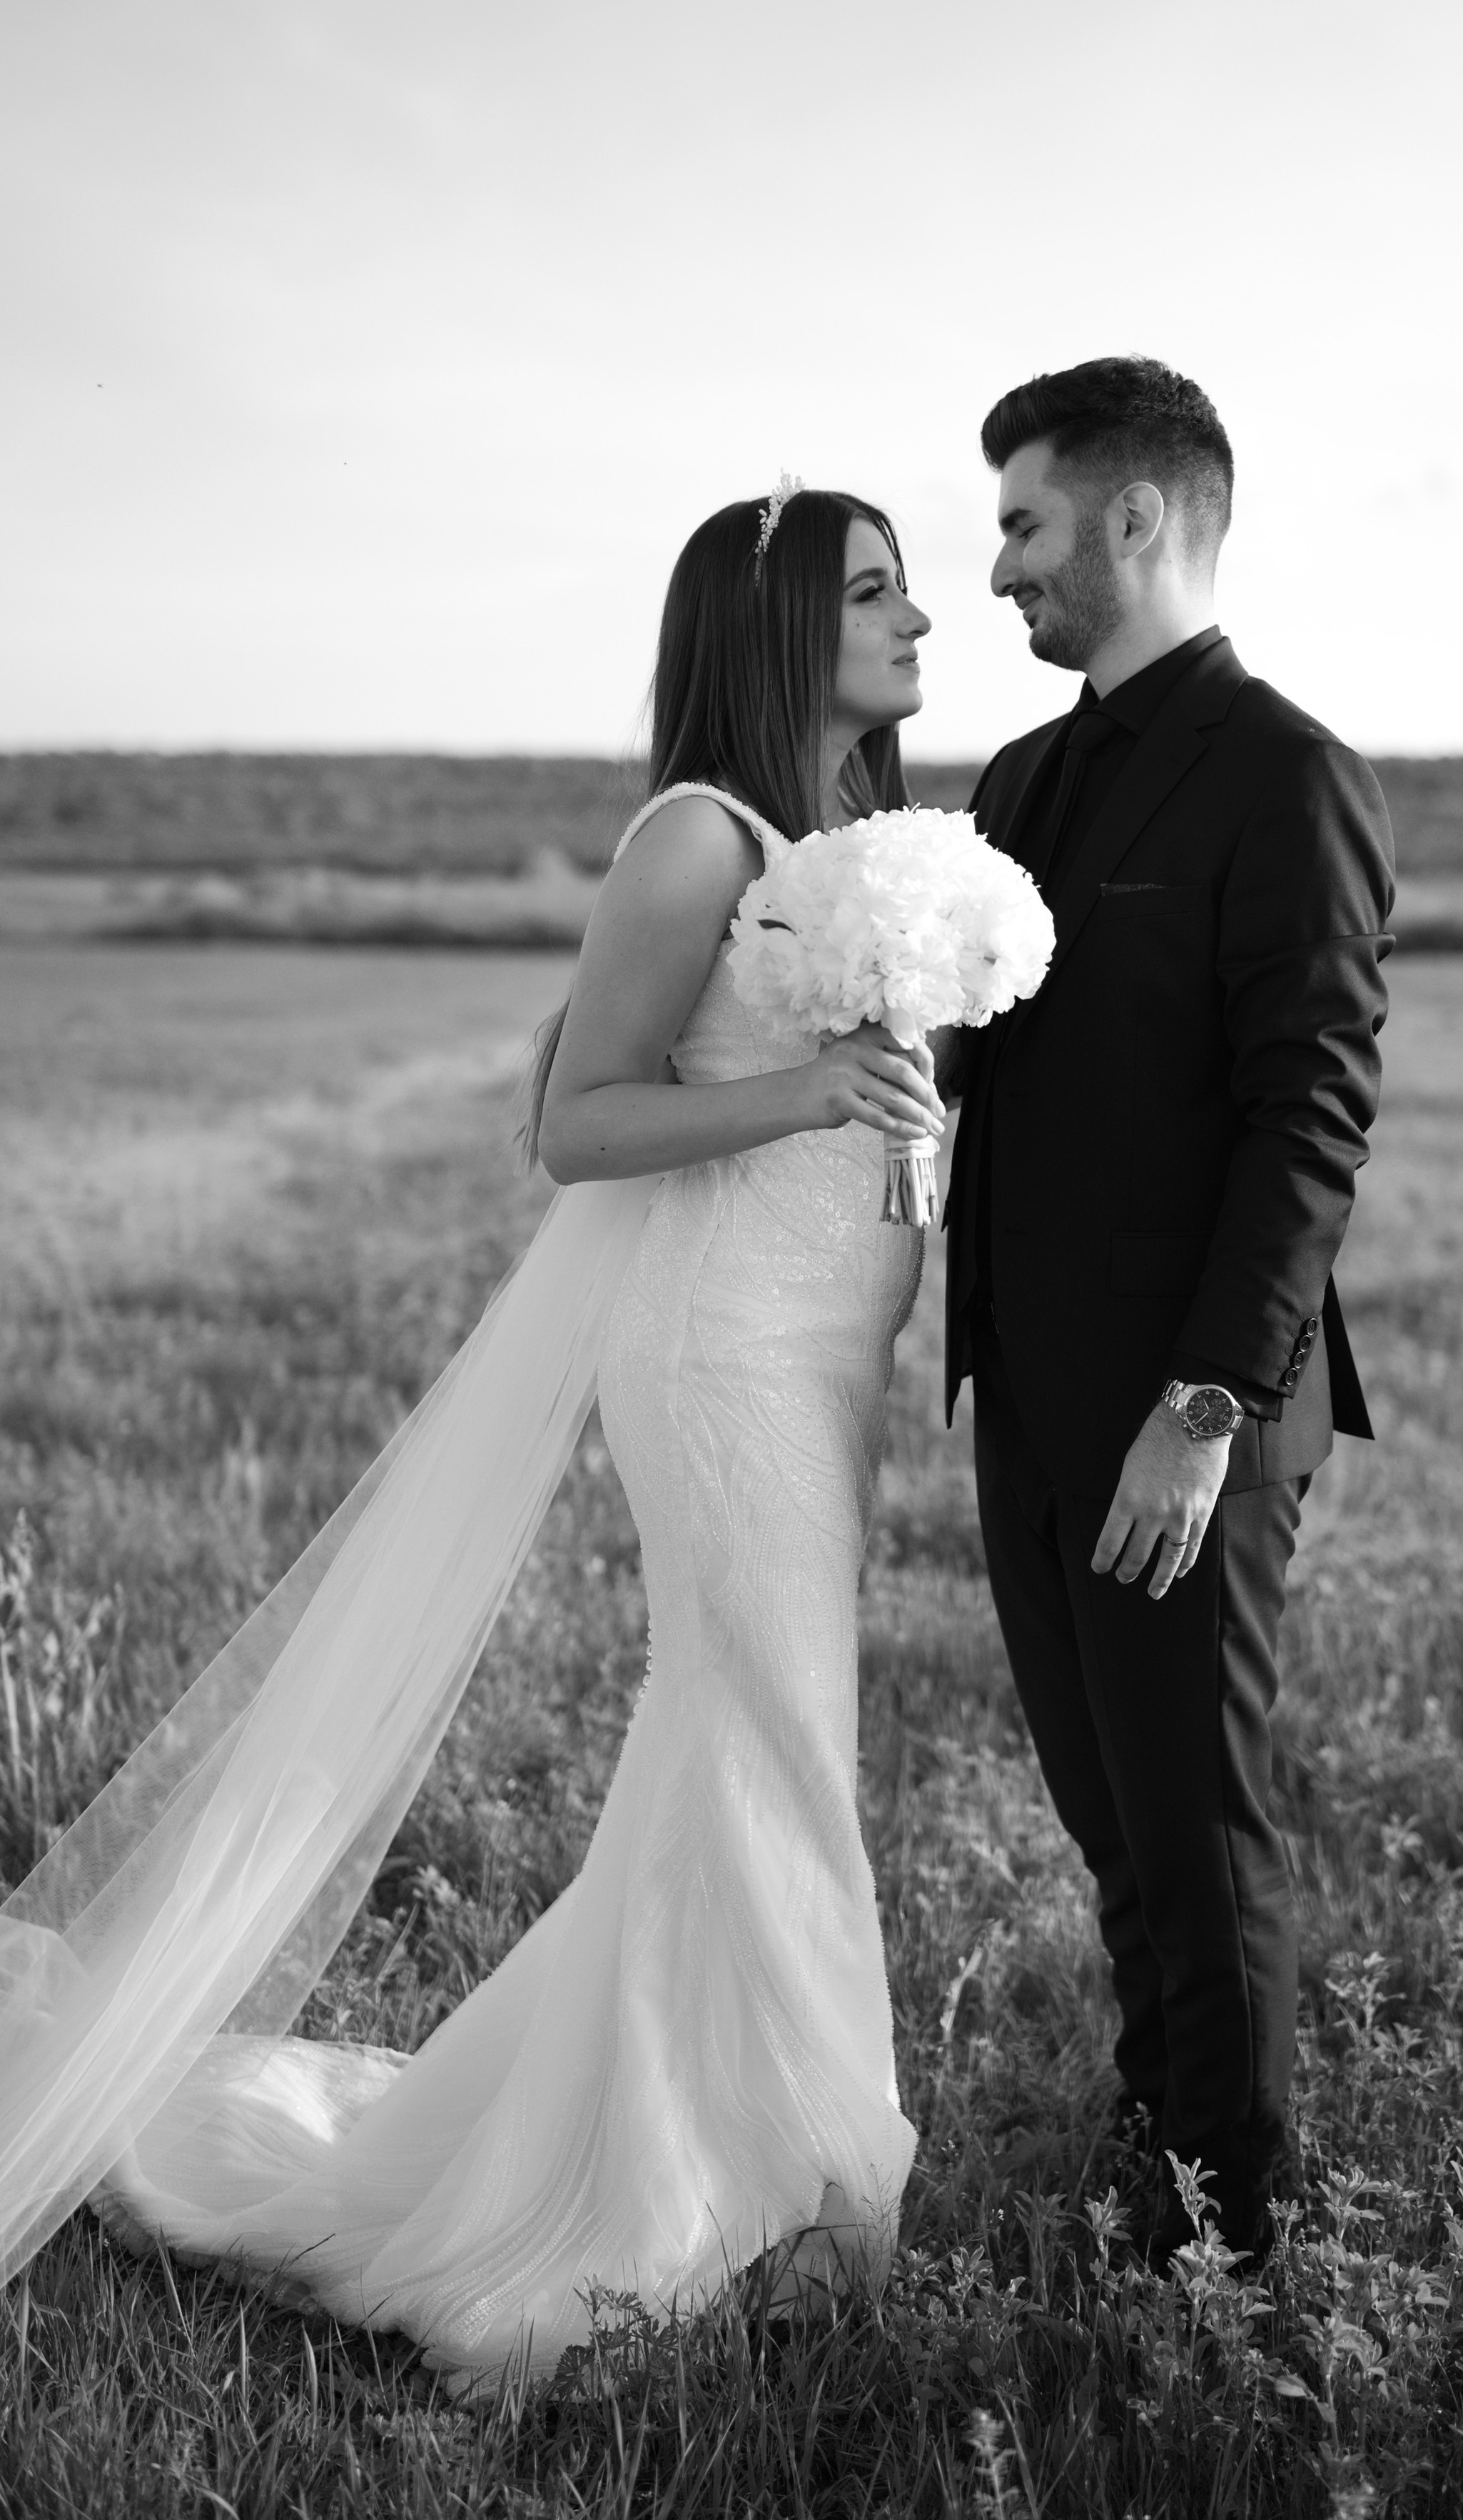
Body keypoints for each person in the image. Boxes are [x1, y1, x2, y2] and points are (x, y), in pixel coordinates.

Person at [0, 485, 946, 2395]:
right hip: (720, 1358)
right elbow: (579, 1122)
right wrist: (810, 1096)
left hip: (824, 1356)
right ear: (772, 625)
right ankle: (775, 2184)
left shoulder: (849, 844)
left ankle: (710, 2143)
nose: (918, 617)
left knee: (747, 1745)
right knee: (768, 1741)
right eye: (872, 590)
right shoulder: (700, 835)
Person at [942, 358, 1397, 2267]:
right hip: (1028, 1403)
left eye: (1024, 524)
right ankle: (1163, 2156)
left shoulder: (1288, 776)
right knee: (1115, 1825)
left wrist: (1201, 1410)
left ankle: (1230, 2247)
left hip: (1184, 1421)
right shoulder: (1017, 782)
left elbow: (1312, 1116)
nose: (996, 572)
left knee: (1203, 1838)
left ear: (1136, 518)